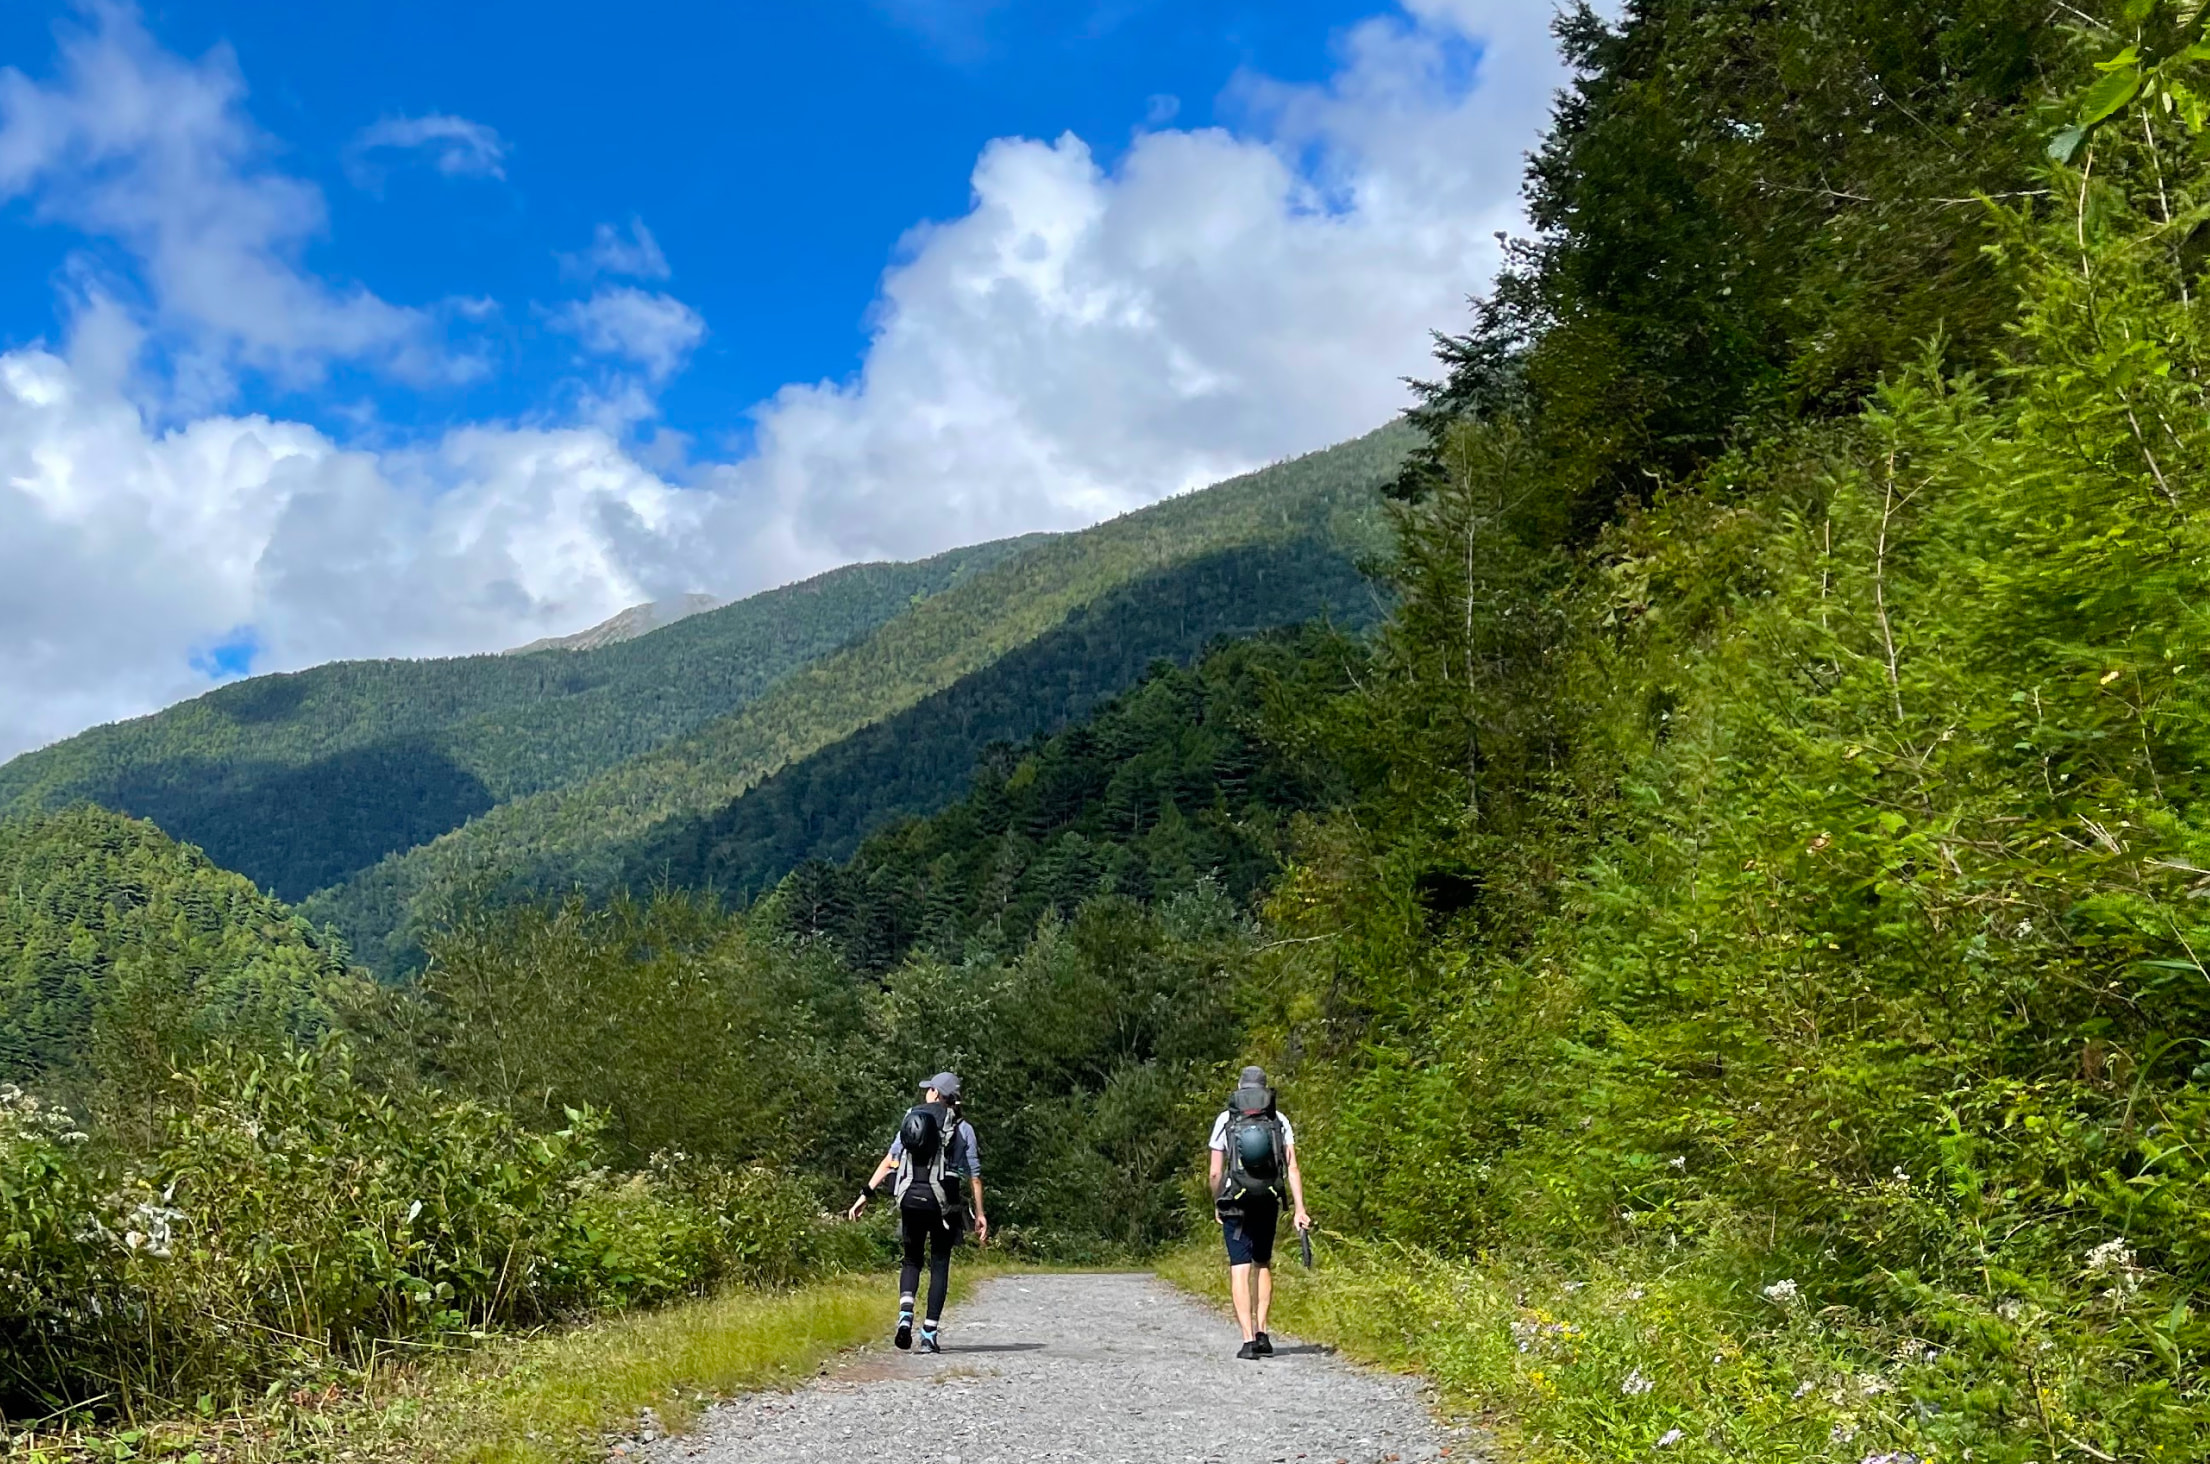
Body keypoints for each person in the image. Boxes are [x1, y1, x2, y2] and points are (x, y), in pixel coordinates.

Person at [848, 1071, 988, 1353]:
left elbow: (890, 1160)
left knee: (911, 1260)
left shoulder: (912, 1117)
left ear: (936, 1094)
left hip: (910, 1199)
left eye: (929, 1089)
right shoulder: (963, 1129)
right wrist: (979, 1214)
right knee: (939, 1264)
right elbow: (974, 1176)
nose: (926, 1093)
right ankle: (929, 1335)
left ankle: (904, 1318)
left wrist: (865, 1194)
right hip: (944, 1205)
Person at [1208, 1064, 1310, 1360]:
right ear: (1264, 1090)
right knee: (1262, 1263)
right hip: (1267, 1196)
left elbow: (1216, 1173)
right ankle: (1264, 1333)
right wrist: (1299, 1209)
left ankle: (1247, 1340)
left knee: (1239, 1267)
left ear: (1239, 1089)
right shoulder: (1278, 1119)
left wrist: (1218, 1201)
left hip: (1236, 1199)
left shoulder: (1226, 1119)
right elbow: (1292, 1166)